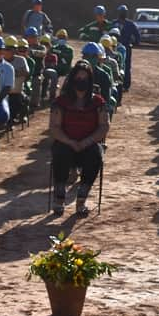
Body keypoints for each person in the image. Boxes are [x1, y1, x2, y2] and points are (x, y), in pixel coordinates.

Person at [50, 61, 110, 217]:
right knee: (60, 152)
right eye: (78, 78)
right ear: (72, 79)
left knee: (96, 154)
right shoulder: (61, 102)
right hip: (66, 142)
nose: (81, 81)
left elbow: (104, 126)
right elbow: (54, 128)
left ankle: (81, 199)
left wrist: (86, 142)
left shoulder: (98, 102)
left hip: (88, 144)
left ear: (90, 81)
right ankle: (59, 197)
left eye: (85, 78)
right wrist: (70, 142)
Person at [113, 4, 141, 91]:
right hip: (125, 47)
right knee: (125, 66)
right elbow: (137, 36)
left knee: (117, 64)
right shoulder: (130, 24)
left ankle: (117, 84)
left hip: (115, 47)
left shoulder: (114, 23)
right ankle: (124, 85)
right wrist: (135, 43)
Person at [2, 36, 30, 123]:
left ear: (15, 50)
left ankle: (18, 116)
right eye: (6, 48)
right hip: (3, 91)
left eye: (11, 48)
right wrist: (16, 72)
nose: (9, 51)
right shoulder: (0, 60)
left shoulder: (21, 60)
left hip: (16, 91)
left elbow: (26, 72)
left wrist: (10, 73)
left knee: (20, 100)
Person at [81, 43, 115, 113]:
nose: (90, 59)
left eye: (93, 56)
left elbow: (106, 99)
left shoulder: (104, 76)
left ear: (97, 58)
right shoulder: (75, 73)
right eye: (87, 56)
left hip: (96, 109)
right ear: (83, 57)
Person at [25, 27, 47, 108]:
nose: (31, 39)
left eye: (33, 37)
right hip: (25, 73)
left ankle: (34, 104)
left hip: (36, 73)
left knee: (36, 83)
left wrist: (32, 52)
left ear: (37, 37)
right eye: (29, 37)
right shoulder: (24, 46)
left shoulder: (41, 47)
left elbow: (43, 53)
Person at [40, 35, 59, 102]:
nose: (44, 46)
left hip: (46, 70)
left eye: (46, 44)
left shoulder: (53, 56)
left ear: (49, 45)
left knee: (53, 74)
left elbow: (53, 65)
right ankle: (41, 94)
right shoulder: (37, 52)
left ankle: (52, 96)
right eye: (42, 44)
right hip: (37, 70)